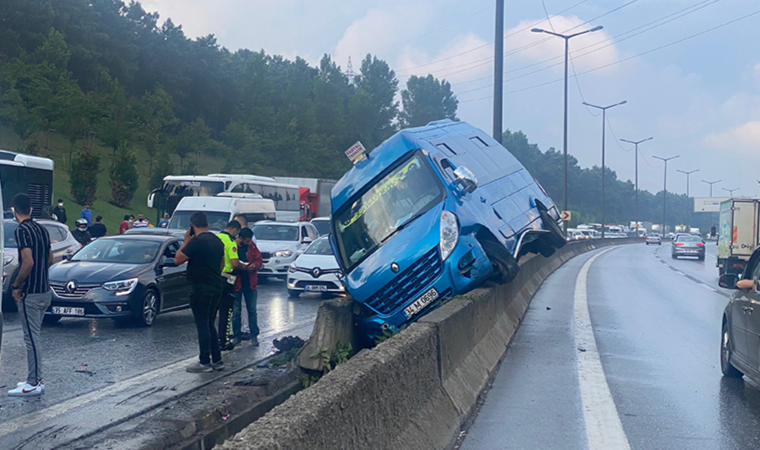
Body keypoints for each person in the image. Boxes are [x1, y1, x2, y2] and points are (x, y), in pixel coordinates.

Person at [8, 193, 53, 397]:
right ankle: (35, 377)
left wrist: (17, 285)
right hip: (45, 290)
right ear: (31, 209)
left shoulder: (22, 231)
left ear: (14, 210)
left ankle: (34, 381)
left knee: (31, 338)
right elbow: (50, 259)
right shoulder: (42, 229)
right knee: (35, 336)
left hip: (31, 294)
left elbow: (28, 261)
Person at [174, 212, 225, 373]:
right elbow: (222, 264)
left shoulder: (196, 241)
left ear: (192, 225)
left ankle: (204, 361)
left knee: (202, 324)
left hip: (200, 287)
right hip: (216, 285)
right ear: (207, 223)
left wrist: (185, 241)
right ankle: (217, 359)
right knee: (210, 322)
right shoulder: (217, 240)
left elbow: (178, 259)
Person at [217, 220, 246, 351]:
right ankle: (224, 341)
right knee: (226, 311)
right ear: (235, 230)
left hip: (214, 277)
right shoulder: (230, 242)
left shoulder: (216, 237)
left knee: (212, 312)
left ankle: (213, 340)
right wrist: (245, 266)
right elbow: (234, 263)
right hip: (227, 279)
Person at [232, 228, 262, 347]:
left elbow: (259, 260)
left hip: (250, 283)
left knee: (252, 310)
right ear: (241, 238)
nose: (249, 243)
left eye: (250, 241)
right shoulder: (233, 247)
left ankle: (254, 335)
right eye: (247, 241)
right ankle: (237, 336)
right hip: (237, 283)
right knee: (236, 312)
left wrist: (255, 265)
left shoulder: (252, 247)